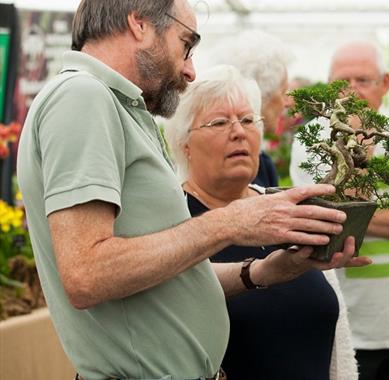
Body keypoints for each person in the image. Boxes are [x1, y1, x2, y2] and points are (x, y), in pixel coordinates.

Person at [15, 1, 368, 379]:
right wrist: (229, 223)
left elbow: (159, 276)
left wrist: (262, 271)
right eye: (186, 43)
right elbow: (87, 275)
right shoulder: (82, 97)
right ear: (139, 25)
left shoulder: (115, 106)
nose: (189, 70)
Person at [165, 64, 362, 380]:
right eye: (219, 122)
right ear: (184, 143)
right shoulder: (172, 221)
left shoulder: (289, 206)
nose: (238, 131)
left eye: (246, 120)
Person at [291, 40, 389, 380]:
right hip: (345, 323)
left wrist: (358, 212)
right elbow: (330, 216)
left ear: (385, 84)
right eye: (343, 82)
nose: (352, 91)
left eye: (363, 80)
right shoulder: (311, 141)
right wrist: (359, 154)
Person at [210, 30, 293, 188]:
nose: (287, 103)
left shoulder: (262, 162)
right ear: (262, 95)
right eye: (283, 93)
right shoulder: (241, 164)